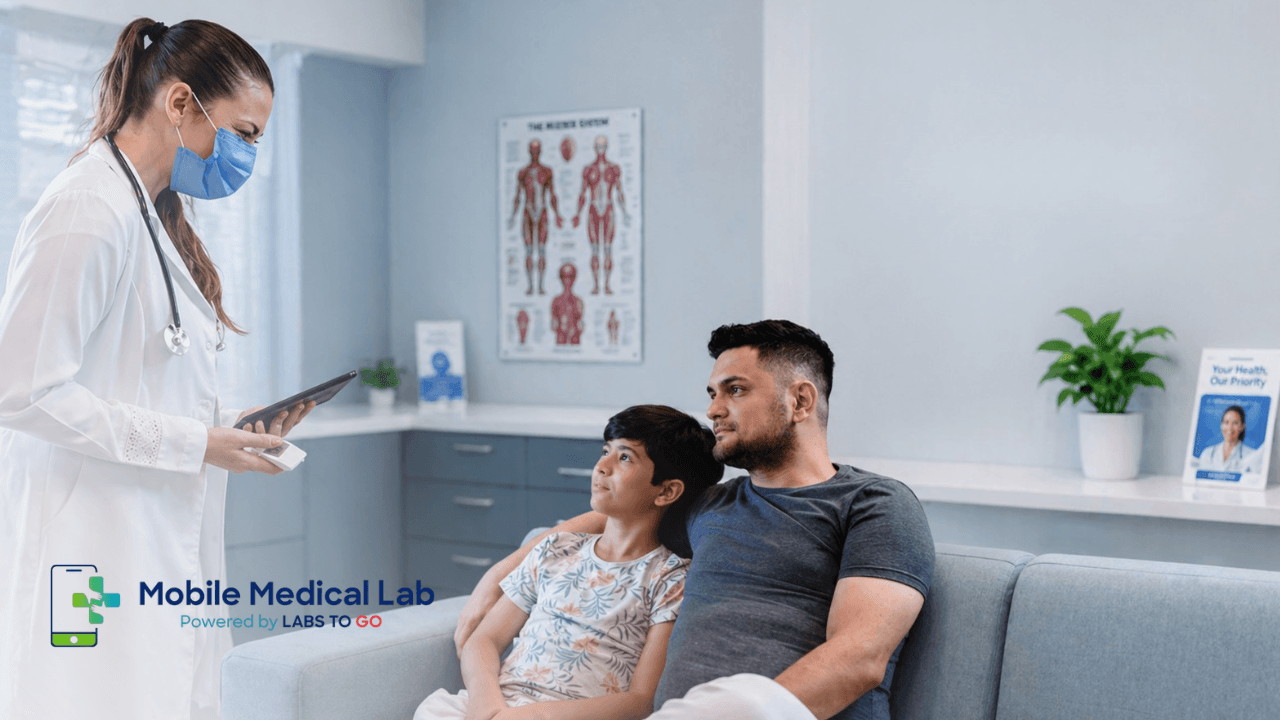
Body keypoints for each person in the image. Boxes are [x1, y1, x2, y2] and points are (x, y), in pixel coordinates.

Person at [0, 18, 313, 719]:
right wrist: (199, 444)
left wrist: (231, 430)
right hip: (90, 546)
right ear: (180, 104)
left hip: (148, 539)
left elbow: (136, 380)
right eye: (245, 132)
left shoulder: (147, 212)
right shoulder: (87, 208)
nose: (248, 154)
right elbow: (20, 391)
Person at [456, 320, 935, 720]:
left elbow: (859, 658)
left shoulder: (874, 503)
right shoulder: (710, 505)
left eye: (736, 390)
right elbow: (613, 518)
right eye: (712, 392)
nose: (713, 410)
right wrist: (502, 573)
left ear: (801, 402)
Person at [415, 405, 724, 720]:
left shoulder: (669, 580)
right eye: (605, 451)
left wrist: (533, 717)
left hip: (565, 716)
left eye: (625, 457)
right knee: (433, 711)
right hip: (496, 705)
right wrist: (486, 703)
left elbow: (640, 701)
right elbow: (485, 639)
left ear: (667, 490)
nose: (602, 466)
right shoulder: (555, 549)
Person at [1194, 405, 1260, 473]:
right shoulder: (1208, 453)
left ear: (1242, 427)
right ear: (1221, 425)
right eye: (1226, 422)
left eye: (1235, 423)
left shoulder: (1251, 456)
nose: (1229, 428)